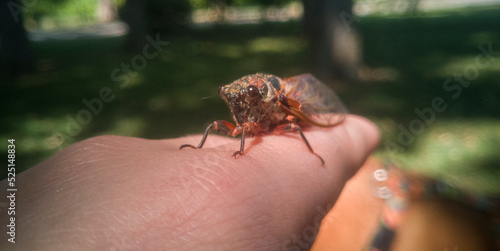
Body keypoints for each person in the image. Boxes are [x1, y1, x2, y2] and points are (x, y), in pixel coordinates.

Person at [0, 115, 379, 250]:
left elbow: (293, 120)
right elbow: (230, 127)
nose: (237, 105)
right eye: (233, 99)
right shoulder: (236, 121)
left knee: (295, 125)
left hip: (291, 110)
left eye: (244, 98)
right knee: (217, 128)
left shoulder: (272, 104)